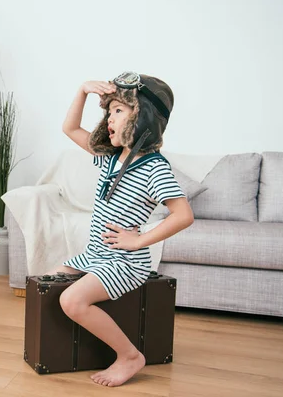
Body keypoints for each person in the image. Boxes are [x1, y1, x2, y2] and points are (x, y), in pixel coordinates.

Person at [48, 72, 195, 387]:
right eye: (108, 111)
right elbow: (69, 128)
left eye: (118, 111)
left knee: (71, 301)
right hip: (96, 255)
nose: (109, 119)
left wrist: (139, 240)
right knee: (53, 276)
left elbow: (183, 215)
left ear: (142, 117)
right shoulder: (111, 157)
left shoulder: (154, 167)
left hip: (125, 262)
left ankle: (129, 355)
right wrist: (82, 91)